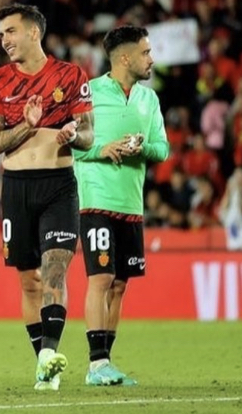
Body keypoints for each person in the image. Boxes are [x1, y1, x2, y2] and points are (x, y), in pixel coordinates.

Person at [0, 3, 94, 391]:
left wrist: (73, 135)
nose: (4, 40)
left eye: (11, 31)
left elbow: (89, 134)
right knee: (29, 280)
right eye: (1, 35)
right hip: (16, 189)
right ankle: (44, 365)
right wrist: (27, 127)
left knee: (55, 268)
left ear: (34, 32)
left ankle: (49, 352)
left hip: (58, 185)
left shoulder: (70, 75)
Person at [73, 25, 169, 386]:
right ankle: (96, 364)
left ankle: (105, 362)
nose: (151, 59)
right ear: (125, 58)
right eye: (146, 52)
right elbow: (70, 146)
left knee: (119, 285)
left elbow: (162, 149)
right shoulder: (90, 93)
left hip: (131, 203)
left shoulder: (149, 99)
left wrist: (141, 147)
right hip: (96, 200)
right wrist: (103, 149)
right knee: (101, 278)